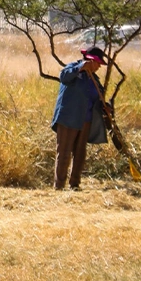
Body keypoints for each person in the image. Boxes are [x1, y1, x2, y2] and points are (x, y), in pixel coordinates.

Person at [50, 47, 108, 191]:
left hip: (85, 121)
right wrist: (81, 68)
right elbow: (64, 76)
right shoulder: (73, 68)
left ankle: (74, 184)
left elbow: (96, 98)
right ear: (90, 61)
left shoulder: (94, 79)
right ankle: (59, 186)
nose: (100, 66)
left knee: (80, 153)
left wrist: (105, 106)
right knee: (64, 153)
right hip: (69, 118)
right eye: (98, 63)